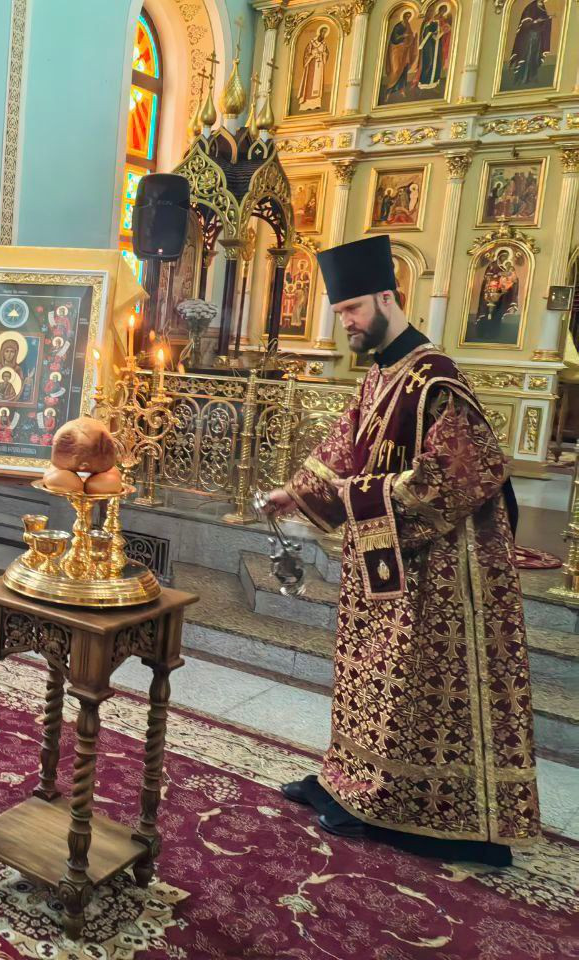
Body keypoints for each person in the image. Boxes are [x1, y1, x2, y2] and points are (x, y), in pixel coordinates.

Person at [259, 235, 539, 867]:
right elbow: (343, 448)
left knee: (412, 688)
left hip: (439, 571)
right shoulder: (381, 374)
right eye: (340, 312)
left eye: (353, 309)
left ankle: (414, 811)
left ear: (388, 297)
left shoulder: (437, 379)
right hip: (383, 556)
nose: (347, 323)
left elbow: (459, 476)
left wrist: (355, 498)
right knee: (368, 675)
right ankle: (349, 782)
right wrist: (295, 493)